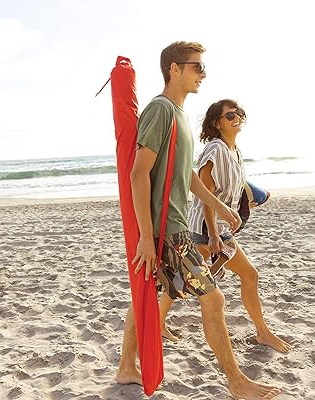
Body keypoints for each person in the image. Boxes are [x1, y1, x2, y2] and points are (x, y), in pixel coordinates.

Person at [116, 41, 282, 399]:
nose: (203, 74)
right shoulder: (161, 110)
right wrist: (146, 235)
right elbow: (138, 173)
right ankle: (236, 382)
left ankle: (126, 366)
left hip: (170, 227)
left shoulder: (179, 115)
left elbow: (186, 175)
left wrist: (219, 206)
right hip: (167, 230)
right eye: (197, 67)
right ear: (174, 69)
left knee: (146, 294)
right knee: (214, 298)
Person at [159, 99, 292, 354]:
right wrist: (213, 235)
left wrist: (243, 206)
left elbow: (228, 191)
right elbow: (205, 195)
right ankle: (262, 332)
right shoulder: (215, 150)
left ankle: (262, 332)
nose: (237, 117)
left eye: (239, 113)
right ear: (216, 123)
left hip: (220, 229)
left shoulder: (234, 151)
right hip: (204, 230)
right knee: (229, 276)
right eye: (230, 115)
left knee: (197, 277)